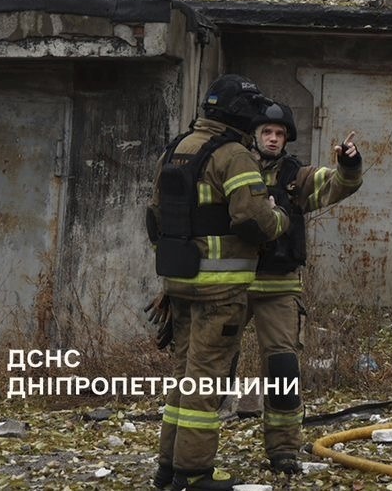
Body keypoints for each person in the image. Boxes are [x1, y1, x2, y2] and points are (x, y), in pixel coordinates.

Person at [149, 74, 288, 491]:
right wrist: (279, 217)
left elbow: (155, 216)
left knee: (184, 377)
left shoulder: (177, 149)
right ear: (239, 113)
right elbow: (254, 219)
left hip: (180, 282)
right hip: (220, 288)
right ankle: (194, 474)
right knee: (205, 382)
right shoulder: (232, 156)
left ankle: (168, 469)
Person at [241, 102, 364, 474]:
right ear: (255, 135)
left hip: (278, 284)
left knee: (283, 366)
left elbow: (338, 185)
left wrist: (349, 163)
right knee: (216, 366)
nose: (274, 139)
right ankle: (198, 452)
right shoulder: (234, 167)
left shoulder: (296, 177)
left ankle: (282, 450)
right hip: (230, 281)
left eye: (280, 134)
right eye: (268, 133)